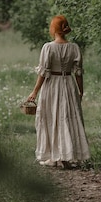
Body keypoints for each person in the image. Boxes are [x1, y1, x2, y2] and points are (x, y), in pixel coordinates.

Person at [27, 15, 90, 168]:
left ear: (53, 28)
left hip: (52, 85)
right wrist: (80, 91)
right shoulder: (74, 47)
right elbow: (78, 73)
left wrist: (34, 92)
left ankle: (57, 155)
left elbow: (43, 72)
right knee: (68, 117)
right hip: (69, 84)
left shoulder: (48, 47)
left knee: (51, 117)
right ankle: (65, 156)